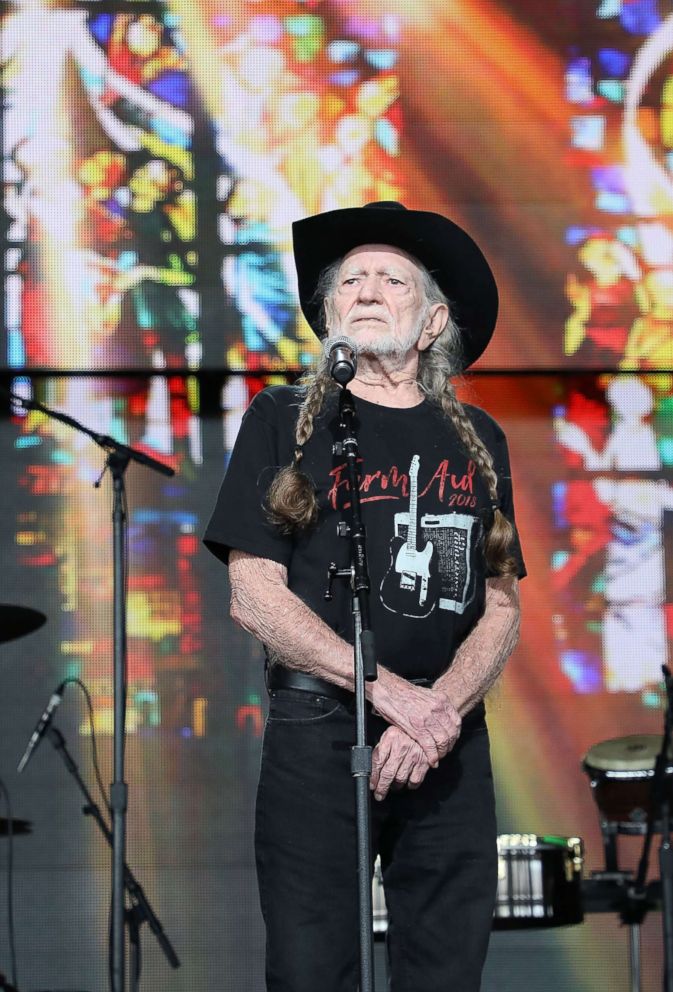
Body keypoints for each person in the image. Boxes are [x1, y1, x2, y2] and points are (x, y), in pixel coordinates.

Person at [204, 201, 525, 992]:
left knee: (446, 965)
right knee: (315, 966)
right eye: (349, 281)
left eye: (391, 279)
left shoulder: (480, 440)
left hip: (447, 739)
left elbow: (503, 606)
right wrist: (389, 697)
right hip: (320, 730)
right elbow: (252, 592)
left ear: (432, 323)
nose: (367, 290)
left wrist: (437, 711)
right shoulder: (281, 419)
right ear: (328, 315)